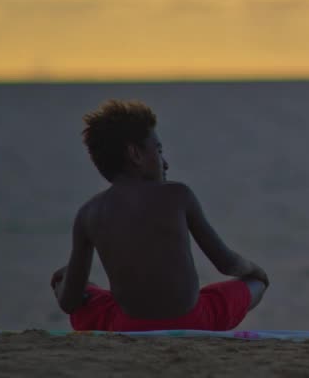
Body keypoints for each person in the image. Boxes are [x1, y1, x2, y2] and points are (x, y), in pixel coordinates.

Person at [50, 99, 269, 332]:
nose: (166, 163)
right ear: (135, 153)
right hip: (195, 320)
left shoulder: (89, 213)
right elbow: (226, 263)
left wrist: (64, 280)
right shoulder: (178, 195)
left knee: (67, 281)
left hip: (126, 326)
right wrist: (255, 270)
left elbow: (69, 303)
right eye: (159, 150)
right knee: (256, 283)